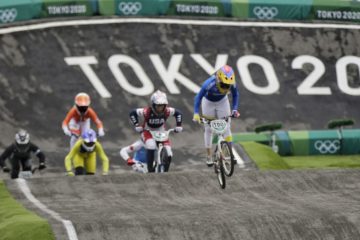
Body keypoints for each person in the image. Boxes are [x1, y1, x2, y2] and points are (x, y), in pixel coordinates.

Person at [193, 65, 240, 167]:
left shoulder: (232, 83)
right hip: (208, 102)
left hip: (222, 101)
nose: (226, 88)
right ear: (218, 79)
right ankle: (209, 155)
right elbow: (198, 97)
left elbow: (236, 95)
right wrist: (196, 113)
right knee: (208, 128)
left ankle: (230, 153)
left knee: (227, 126)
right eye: (223, 85)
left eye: (228, 86)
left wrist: (235, 109)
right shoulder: (209, 83)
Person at [129, 90, 183, 173]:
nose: (160, 108)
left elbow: (178, 113)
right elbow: (132, 113)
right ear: (153, 105)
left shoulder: (168, 111)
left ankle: (165, 171)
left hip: (161, 131)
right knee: (151, 145)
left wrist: (178, 125)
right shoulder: (146, 111)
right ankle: (150, 169)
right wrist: (137, 125)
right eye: (158, 106)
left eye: (162, 106)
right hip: (148, 131)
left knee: (169, 152)